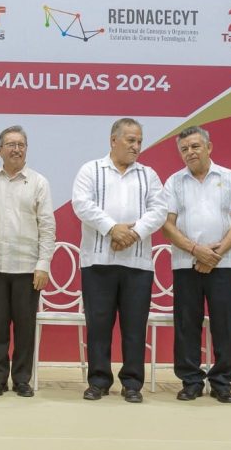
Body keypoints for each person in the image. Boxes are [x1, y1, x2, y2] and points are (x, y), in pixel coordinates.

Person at [71, 118, 166, 403]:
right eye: (130, 140)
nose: (136, 146)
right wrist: (112, 228)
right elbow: (81, 204)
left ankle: (132, 382)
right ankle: (98, 381)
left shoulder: (148, 175)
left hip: (137, 264)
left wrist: (132, 233)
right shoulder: (91, 170)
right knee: (98, 325)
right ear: (114, 141)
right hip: (98, 261)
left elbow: (159, 210)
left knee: (134, 326)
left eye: (139, 141)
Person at [160, 126, 231, 403]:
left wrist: (215, 255)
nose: (190, 152)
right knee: (187, 323)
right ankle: (191, 381)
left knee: (225, 324)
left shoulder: (230, 178)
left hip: (223, 264)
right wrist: (196, 250)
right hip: (185, 262)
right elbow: (167, 226)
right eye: (184, 149)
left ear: (209, 148)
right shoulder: (174, 182)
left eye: (195, 146)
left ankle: (222, 382)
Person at [0, 125, 55, 398]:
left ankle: (22, 378)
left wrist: (43, 263)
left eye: (21, 144)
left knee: (25, 327)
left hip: (28, 267)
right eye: (10, 144)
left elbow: (47, 226)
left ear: (26, 149)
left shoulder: (39, 182)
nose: (16, 148)